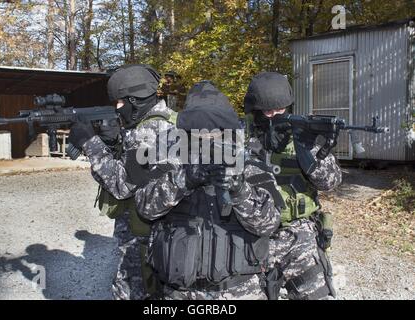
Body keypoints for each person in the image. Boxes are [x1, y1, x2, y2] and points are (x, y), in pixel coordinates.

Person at [134, 81, 281, 299]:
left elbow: (270, 223)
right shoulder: (171, 158)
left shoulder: (247, 158)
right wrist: (185, 179)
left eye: (216, 132)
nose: (208, 139)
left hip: (239, 291)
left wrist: (240, 191)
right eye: (199, 132)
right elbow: (145, 208)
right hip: (179, 292)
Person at [68, 64, 177, 300]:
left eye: (119, 103)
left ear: (134, 100)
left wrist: (90, 143)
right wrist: (115, 141)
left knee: (131, 292)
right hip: (159, 230)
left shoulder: (148, 131)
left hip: (144, 234)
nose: (117, 109)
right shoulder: (164, 120)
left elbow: (121, 184)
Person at [243, 71, 342, 300]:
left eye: (280, 110)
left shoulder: (301, 135)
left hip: (298, 233)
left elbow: (331, 182)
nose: (275, 116)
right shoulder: (241, 137)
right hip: (251, 235)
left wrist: (308, 154)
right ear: (255, 112)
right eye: (267, 112)